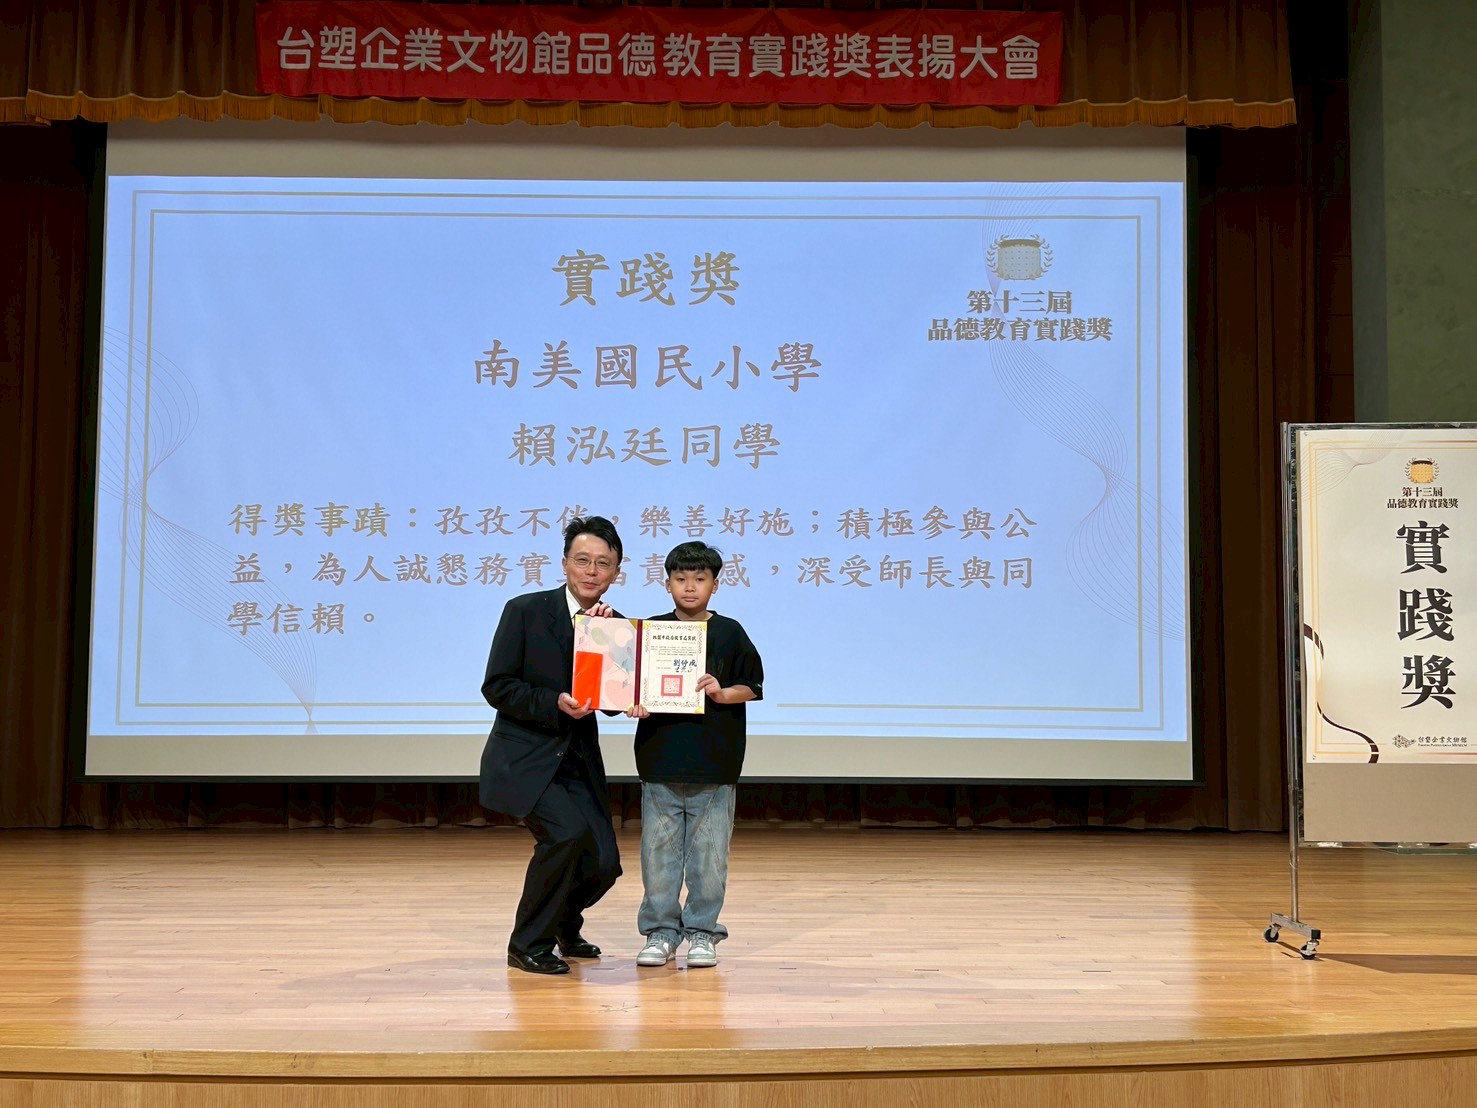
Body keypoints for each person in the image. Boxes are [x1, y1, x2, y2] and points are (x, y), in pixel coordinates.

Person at [478, 515, 625, 975]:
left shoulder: (616, 625)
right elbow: (497, 686)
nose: (591, 571)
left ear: (616, 572)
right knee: (565, 836)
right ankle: (527, 944)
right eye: (582, 560)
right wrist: (553, 702)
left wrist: (613, 657)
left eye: (603, 563)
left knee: (604, 863)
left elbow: (615, 700)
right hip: (526, 756)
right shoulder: (524, 610)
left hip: (577, 759)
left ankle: (562, 922)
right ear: (564, 563)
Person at [627, 541, 763, 969]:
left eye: (700, 579)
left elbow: (752, 686)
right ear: (666, 583)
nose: (690, 587)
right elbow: (626, 682)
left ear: (715, 585)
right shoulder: (650, 631)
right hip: (660, 761)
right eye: (681, 579)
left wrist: (722, 693)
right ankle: (661, 933)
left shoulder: (731, 632)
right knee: (658, 857)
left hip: (715, 764)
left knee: (709, 858)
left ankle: (703, 933)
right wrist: (634, 701)